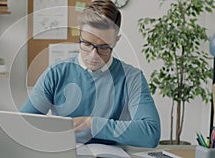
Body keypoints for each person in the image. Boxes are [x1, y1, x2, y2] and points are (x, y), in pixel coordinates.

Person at [20, 0, 160, 148]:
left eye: (104, 47)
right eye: (87, 44)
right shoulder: (56, 74)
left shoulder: (132, 78)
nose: (94, 56)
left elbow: (150, 134)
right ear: (79, 33)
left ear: (116, 40)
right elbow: (23, 125)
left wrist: (91, 124)